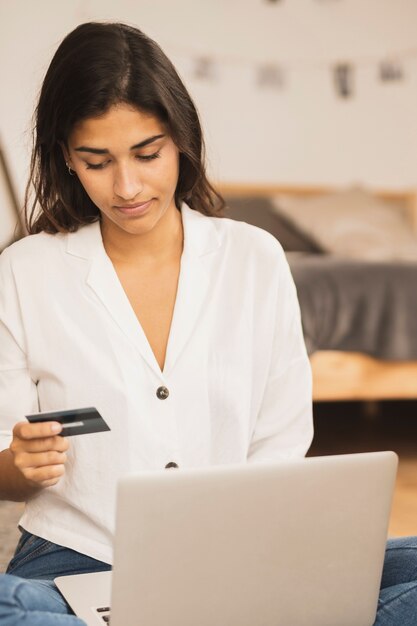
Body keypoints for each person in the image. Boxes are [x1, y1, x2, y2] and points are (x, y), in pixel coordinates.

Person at [0, 21, 415, 626]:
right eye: (97, 162)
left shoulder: (255, 258)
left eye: (148, 154)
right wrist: (18, 464)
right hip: (76, 555)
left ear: (182, 140)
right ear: (66, 157)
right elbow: (3, 462)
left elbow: (280, 445)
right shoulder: (24, 270)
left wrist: (243, 571)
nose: (127, 187)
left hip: (239, 552)